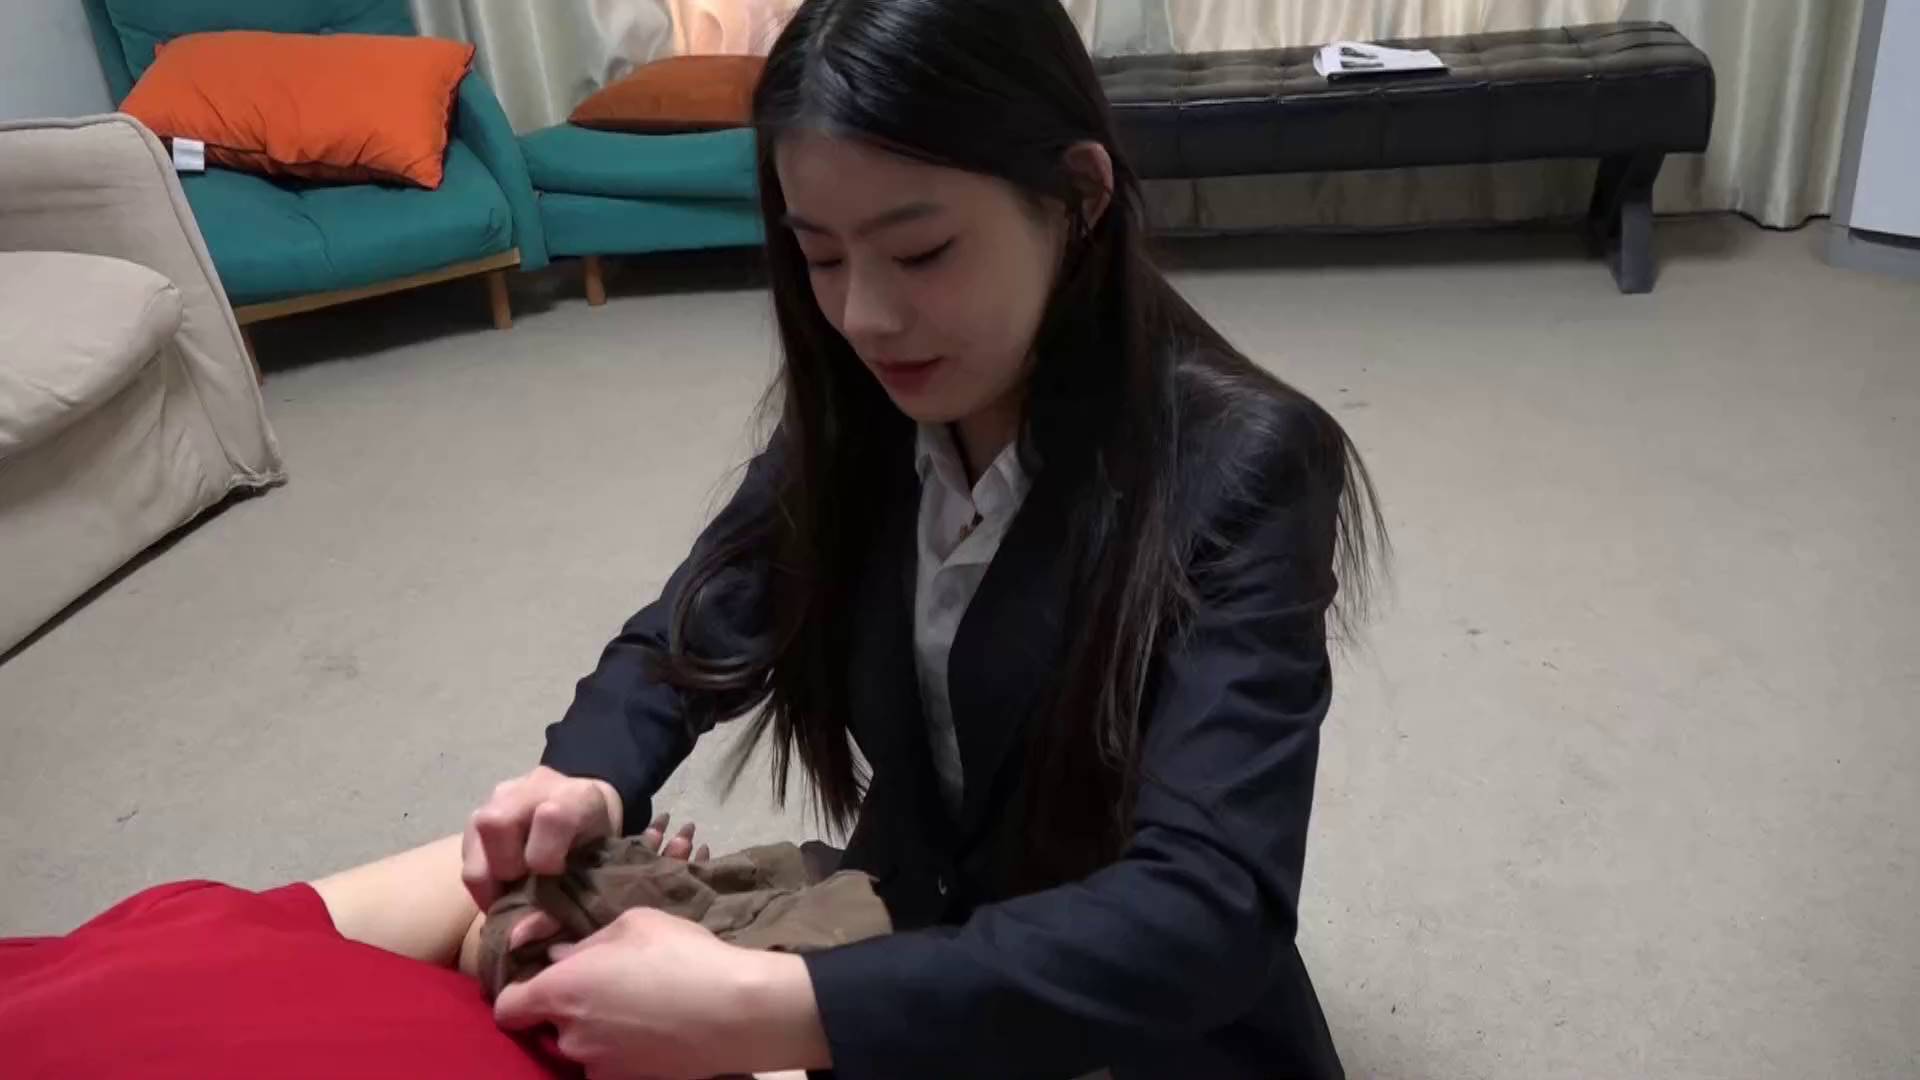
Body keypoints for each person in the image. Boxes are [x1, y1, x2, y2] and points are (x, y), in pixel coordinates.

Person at [460, 0, 1385, 1077]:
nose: (863, 317)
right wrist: (584, 779)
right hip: (907, 931)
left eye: (921, 250)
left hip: (1136, 1017)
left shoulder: (1242, 466)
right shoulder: (866, 415)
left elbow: (1206, 909)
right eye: (820, 256)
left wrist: (776, 1007)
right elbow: (694, 628)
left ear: (1079, 197)